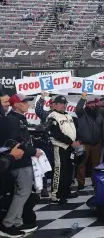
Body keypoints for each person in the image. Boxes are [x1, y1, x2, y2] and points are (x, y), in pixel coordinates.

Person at [0, 94, 40, 237]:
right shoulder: (13, 120)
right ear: (16, 105)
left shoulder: (16, 118)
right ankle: (8, 224)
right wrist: (33, 151)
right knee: (23, 193)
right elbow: (16, 142)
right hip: (19, 161)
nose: (27, 104)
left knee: (21, 192)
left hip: (20, 160)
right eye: (24, 102)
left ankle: (17, 222)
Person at [47, 95, 79, 204]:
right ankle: (55, 195)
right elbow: (56, 134)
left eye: (64, 103)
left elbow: (73, 130)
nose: (63, 105)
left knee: (68, 171)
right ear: (54, 105)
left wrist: (76, 141)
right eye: (60, 103)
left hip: (70, 148)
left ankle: (65, 191)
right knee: (59, 171)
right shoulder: (52, 116)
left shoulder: (68, 115)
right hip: (59, 147)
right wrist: (71, 142)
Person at [75, 92, 104, 191]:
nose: (92, 105)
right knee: (81, 164)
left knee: (96, 165)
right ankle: (80, 183)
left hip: (96, 144)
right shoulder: (82, 113)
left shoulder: (99, 114)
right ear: (87, 104)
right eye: (90, 103)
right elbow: (77, 108)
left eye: (94, 103)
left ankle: (95, 182)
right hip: (84, 143)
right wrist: (83, 98)